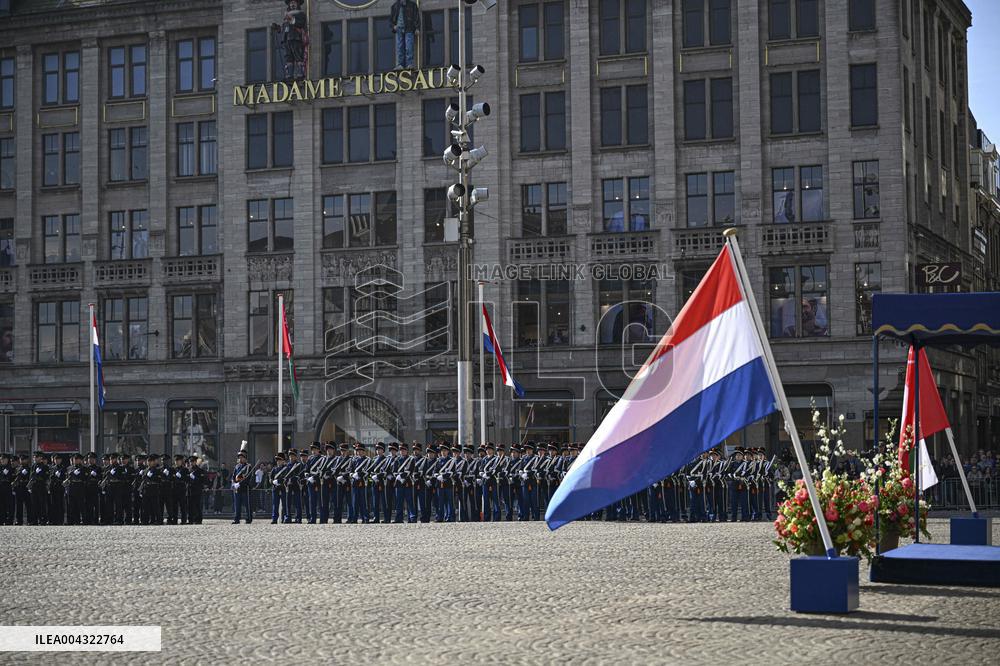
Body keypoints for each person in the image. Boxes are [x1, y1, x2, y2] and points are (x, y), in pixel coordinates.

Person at [275, 0, 308, 81]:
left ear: (298, 4)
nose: (292, 4)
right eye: (291, 3)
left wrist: (292, 19)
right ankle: (289, 75)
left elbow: (301, 23)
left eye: (294, 3)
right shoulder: (286, 15)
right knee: (288, 57)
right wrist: (278, 29)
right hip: (286, 39)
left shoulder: (300, 14)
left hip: (295, 37)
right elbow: (285, 28)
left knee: (297, 55)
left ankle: (300, 74)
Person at [390, 0, 420, 70]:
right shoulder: (395, 6)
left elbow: (416, 17)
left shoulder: (412, 5)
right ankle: (400, 64)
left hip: (409, 28)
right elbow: (391, 19)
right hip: (399, 29)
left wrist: (417, 28)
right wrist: (393, 26)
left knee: (409, 46)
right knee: (400, 47)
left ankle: (409, 64)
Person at [231, 450, 253, 524]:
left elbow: (247, 477)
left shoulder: (248, 466)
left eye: (242, 457)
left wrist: (239, 484)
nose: (240, 459)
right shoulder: (237, 466)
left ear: (245, 458)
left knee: (247, 504)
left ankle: (249, 518)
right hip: (237, 488)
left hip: (245, 488)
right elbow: (233, 476)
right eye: (239, 457)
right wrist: (233, 483)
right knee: (237, 504)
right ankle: (237, 519)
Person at [187, 456, 206, 524]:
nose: (191, 463)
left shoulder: (200, 470)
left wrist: (194, 478)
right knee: (190, 506)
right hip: (190, 490)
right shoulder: (189, 470)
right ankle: (190, 519)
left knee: (197, 505)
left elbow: (202, 481)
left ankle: (198, 519)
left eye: (192, 462)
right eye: (190, 462)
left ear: (195, 462)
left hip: (197, 490)